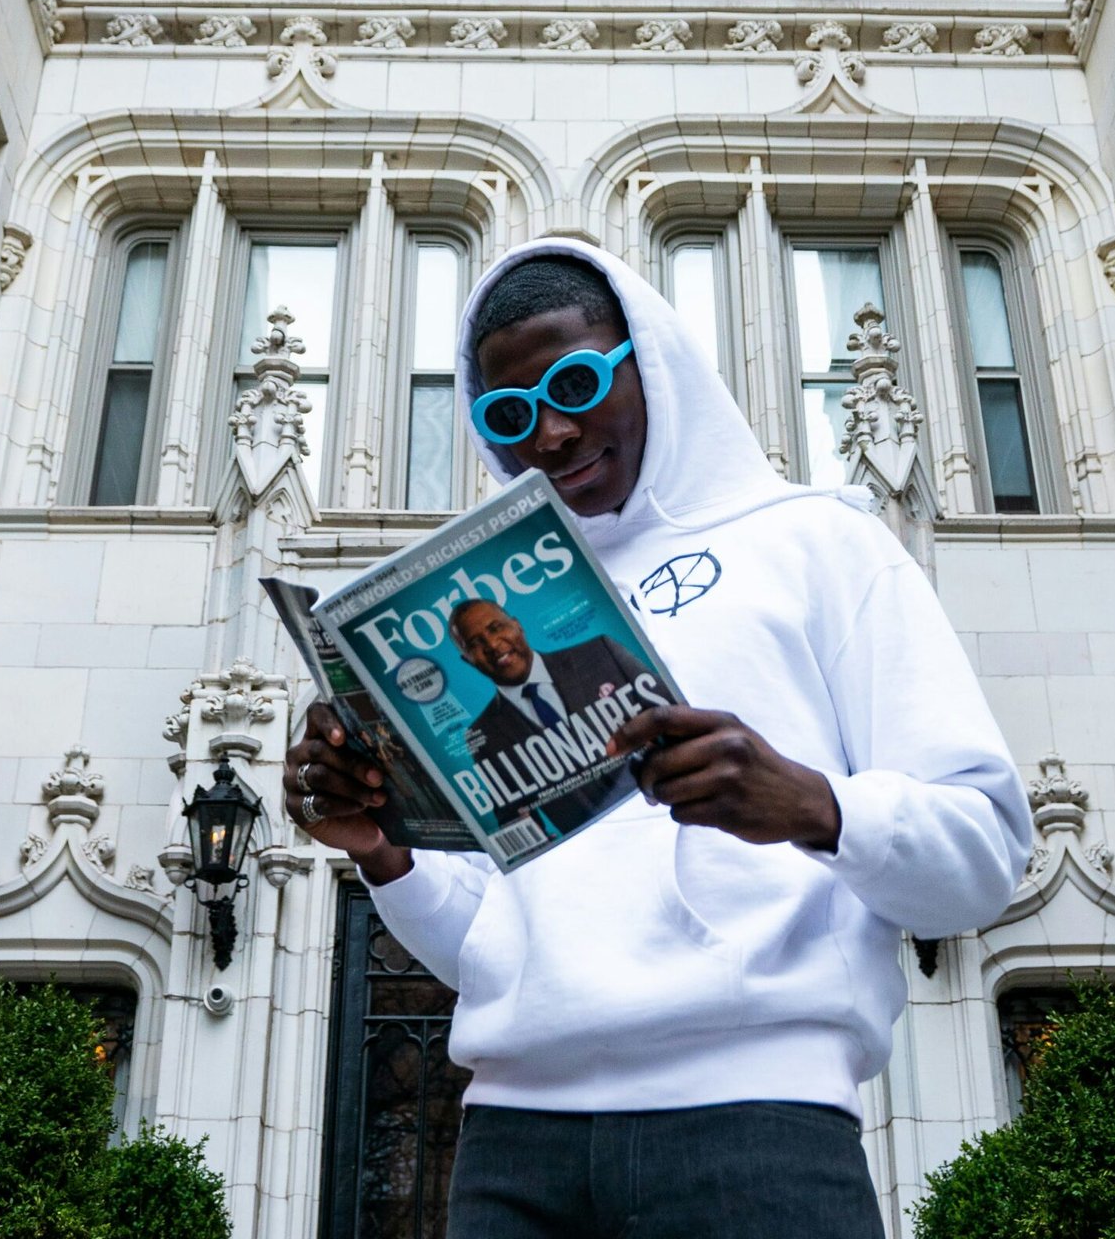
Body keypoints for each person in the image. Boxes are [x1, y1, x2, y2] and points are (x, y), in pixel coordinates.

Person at [285, 242, 1031, 1239]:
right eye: (508, 414)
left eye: (578, 382)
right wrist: (383, 850)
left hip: (756, 1126)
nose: (549, 433)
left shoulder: (819, 541)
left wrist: (813, 803)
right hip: (512, 1139)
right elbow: (483, 947)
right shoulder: (488, 632)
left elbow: (981, 857)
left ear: (652, 358)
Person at [449, 598, 667, 831]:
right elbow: (512, 817)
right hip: (591, 851)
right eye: (475, 643)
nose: (492, 644)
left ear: (517, 625)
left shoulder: (600, 652)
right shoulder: (483, 735)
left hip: (665, 803)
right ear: (468, 660)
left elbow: (672, 711)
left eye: (496, 628)